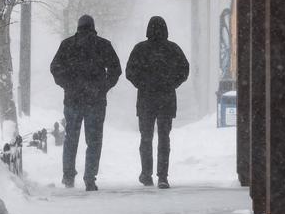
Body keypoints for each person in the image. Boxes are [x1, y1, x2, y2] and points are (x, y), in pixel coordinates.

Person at [50, 15, 122, 191]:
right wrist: (104, 86)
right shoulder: (103, 45)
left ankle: (68, 176)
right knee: (94, 141)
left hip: (73, 101)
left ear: (78, 27)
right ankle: (90, 178)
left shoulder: (67, 45)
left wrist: (67, 84)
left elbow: (55, 68)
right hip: (95, 101)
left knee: (71, 139)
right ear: (93, 27)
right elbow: (116, 69)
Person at [125, 16, 190, 189]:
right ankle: (163, 176)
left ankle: (146, 174)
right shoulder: (173, 49)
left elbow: (129, 72)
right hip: (166, 100)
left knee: (146, 138)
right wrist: (171, 84)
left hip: (146, 100)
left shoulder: (140, 49)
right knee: (164, 138)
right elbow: (184, 70)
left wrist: (143, 84)